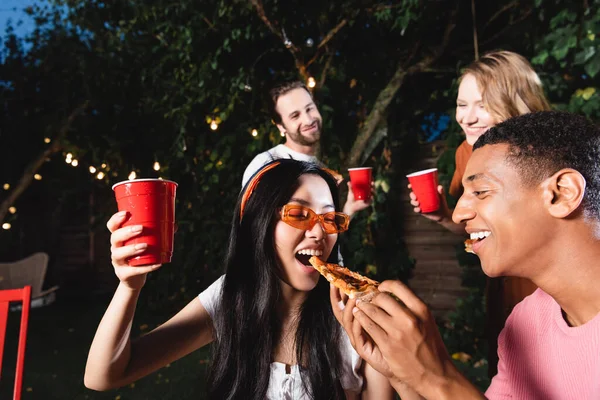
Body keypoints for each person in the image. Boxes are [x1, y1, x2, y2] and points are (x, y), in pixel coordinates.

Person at [84, 159, 420, 399]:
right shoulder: (231, 297)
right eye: (299, 214)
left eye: (330, 218)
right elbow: (104, 376)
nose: (319, 232)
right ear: (260, 225)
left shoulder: (356, 317)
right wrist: (129, 287)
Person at [335, 111, 600, 399]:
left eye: (482, 191)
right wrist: (405, 376)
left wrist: (437, 376)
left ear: (562, 194)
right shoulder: (525, 322)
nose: (459, 213)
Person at [409, 50, 552, 375]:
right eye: (462, 105)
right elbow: (475, 228)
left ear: (517, 102)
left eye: (483, 104)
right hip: (504, 290)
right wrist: (444, 216)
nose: (467, 117)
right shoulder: (468, 152)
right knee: (511, 374)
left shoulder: (551, 156)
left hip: (550, 288)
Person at [242, 80, 371, 219]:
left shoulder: (321, 169)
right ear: (281, 126)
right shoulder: (267, 164)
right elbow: (252, 230)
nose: (308, 120)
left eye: (310, 108)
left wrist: (349, 210)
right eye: (295, 116)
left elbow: (323, 234)